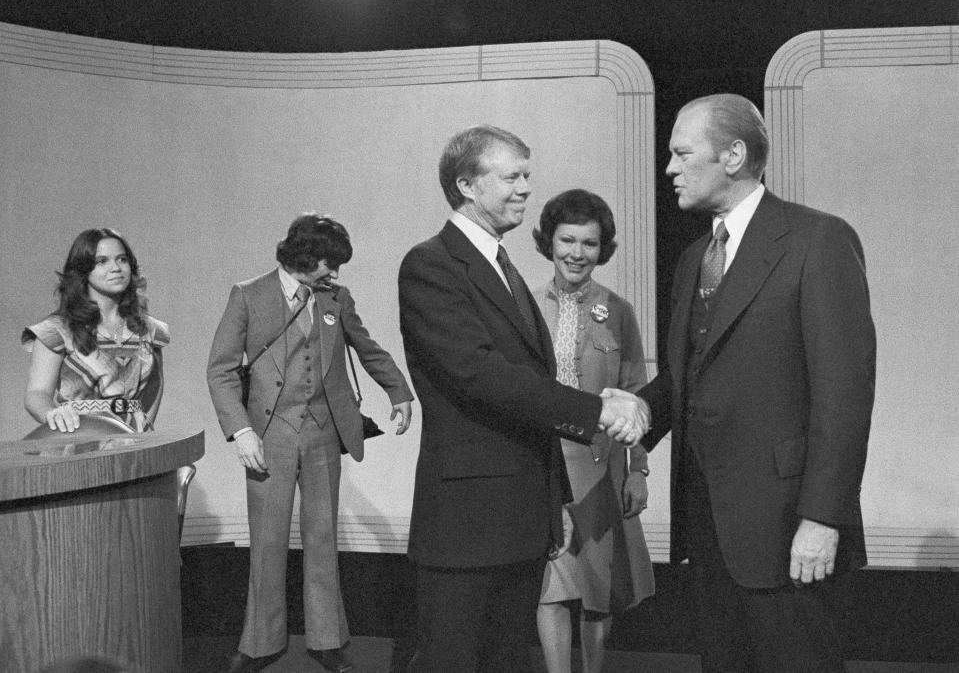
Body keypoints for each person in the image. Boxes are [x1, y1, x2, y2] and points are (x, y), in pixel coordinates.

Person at [637, 94, 876, 672]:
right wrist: (638, 411)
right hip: (710, 534)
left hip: (790, 532)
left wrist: (822, 518)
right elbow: (689, 376)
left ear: (735, 155)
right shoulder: (694, 257)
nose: (668, 168)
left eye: (681, 152)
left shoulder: (816, 240)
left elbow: (845, 394)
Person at [397, 124, 646, 673]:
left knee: (504, 660)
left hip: (518, 518)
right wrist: (597, 410)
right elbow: (481, 375)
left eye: (527, 175)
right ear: (466, 184)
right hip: (466, 524)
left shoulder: (502, 265)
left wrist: (551, 497)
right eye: (512, 176)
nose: (525, 188)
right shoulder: (432, 264)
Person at [206, 214, 414, 673]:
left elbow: (368, 347)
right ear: (304, 257)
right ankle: (259, 643)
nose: (336, 274)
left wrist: (399, 391)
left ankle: (327, 640)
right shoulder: (248, 295)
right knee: (267, 541)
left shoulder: (335, 299)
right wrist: (240, 431)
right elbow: (220, 369)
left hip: (322, 432)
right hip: (268, 435)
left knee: (323, 538)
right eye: (330, 263)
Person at [531, 189, 655, 673]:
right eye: (567, 241)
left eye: (588, 243)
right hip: (544, 464)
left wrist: (639, 470)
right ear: (548, 242)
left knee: (597, 590)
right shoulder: (525, 305)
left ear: (602, 249)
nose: (576, 254)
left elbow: (637, 397)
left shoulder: (619, 310)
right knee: (552, 583)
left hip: (602, 469)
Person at [23, 228, 169, 434]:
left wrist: (143, 432)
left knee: (182, 466)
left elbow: (155, 388)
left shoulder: (149, 330)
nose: (116, 268)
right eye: (102, 261)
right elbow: (37, 393)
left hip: (135, 442)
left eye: (122, 259)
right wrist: (52, 414)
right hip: (81, 437)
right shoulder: (58, 329)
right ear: (83, 270)